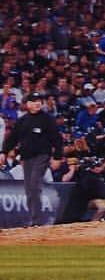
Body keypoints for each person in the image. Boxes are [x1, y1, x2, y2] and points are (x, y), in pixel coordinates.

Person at [3, 93, 63, 227]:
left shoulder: (47, 119)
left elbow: (57, 139)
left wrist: (58, 157)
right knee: (29, 189)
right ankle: (33, 219)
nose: (38, 103)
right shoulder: (23, 121)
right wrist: (4, 152)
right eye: (34, 101)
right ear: (28, 104)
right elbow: (13, 138)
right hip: (26, 158)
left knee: (35, 184)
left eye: (39, 101)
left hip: (42, 156)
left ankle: (37, 220)